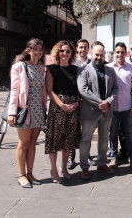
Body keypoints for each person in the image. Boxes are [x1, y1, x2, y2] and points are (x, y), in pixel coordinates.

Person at [7, 38, 47, 188]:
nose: (38, 52)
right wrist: (12, 112)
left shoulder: (41, 68)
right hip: (25, 109)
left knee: (32, 144)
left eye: (40, 49)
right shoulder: (19, 66)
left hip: (38, 109)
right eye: (35, 49)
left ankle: (30, 173)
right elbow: (14, 91)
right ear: (28, 50)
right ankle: (22, 175)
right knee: (23, 143)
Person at [77, 42, 118, 180]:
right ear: (92, 54)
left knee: (103, 138)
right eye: (96, 54)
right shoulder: (83, 70)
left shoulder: (110, 70)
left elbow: (115, 89)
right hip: (90, 111)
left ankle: (101, 163)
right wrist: (100, 102)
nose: (99, 57)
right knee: (85, 140)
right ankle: (84, 167)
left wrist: (108, 102)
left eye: (101, 54)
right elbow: (83, 90)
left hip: (107, 111)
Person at [45, 40, 81, 183]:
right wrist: (61, 105)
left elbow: (79, 89)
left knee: (68, 140)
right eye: (62, 51)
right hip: (57, 108)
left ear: (72, 53)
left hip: (73, 108)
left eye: (68, 51)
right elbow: (49, 90)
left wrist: (77, 102)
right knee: (54, 140)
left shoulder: (75, 69)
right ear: (57, 52)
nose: (65, 54)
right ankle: (54, 170)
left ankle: (64, 168)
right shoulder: (51, 69)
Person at [108, 42, 132, 168]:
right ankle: (113, 157)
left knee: (129, 132)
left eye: (122, 52)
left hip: (127, 107)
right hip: (113, 108)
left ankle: (131, 156)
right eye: (117, 52)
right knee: (113, 133)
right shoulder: (109, 67)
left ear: (125, 53)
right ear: (114, 53)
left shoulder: (131, 68)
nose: (120, 54)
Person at [67, 39, 95, 170]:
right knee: (73, 129)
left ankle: (86, 156)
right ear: (77, 49)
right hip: (74, 101)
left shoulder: (92, 62)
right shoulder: (72, 63)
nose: (83, 50)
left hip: (88, 102)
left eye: (85, 47)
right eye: (81, 47)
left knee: (87, 131)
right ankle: (70, 158)